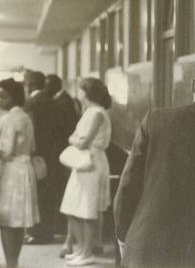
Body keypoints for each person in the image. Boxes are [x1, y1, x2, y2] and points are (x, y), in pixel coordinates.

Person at [114, 57, 195, 268]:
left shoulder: (156, 120)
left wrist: (125, 236)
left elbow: (127, 185)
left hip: (147, 245)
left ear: (192, 84)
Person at [60, 78, 112, 266]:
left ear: (87, 92)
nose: (78, 93)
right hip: (82, 163)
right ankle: (81, 249)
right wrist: (75, 139)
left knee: (86, 209)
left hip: (92, 163)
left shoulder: (97, 113)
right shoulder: (88, 112)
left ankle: (87, 252)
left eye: (80, 90)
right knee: (71, 207)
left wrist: (73, 139)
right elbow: (77, 139)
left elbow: (82, 141)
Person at [0, 78, 40, 268]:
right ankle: (14, 262)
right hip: (25, 169)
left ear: (14, 98)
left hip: (11, 171)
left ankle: (10, 263)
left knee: (6, 220)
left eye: (3, 97)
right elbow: (33, 146)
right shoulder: (26, 116)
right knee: (18, 221)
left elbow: (6, 151)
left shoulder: (10, 119)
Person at [44, 74, 80, 255]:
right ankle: (60, 225)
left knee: (59, 188)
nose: (45, 89)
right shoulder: (62, 100)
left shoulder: (62, 102)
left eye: (47, 85)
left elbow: (61, 128)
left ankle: (61, 225)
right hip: (61, 150)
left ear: (54, 85)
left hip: (62, 150)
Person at [24, 71, 59, 244]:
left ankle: (36, 232)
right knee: (47, 194)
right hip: (52, 154)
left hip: (35, 155)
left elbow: (30, 131)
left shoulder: (30, 103)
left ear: (30, 84)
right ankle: (47, 231)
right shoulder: (52, 101)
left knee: (35, 194)